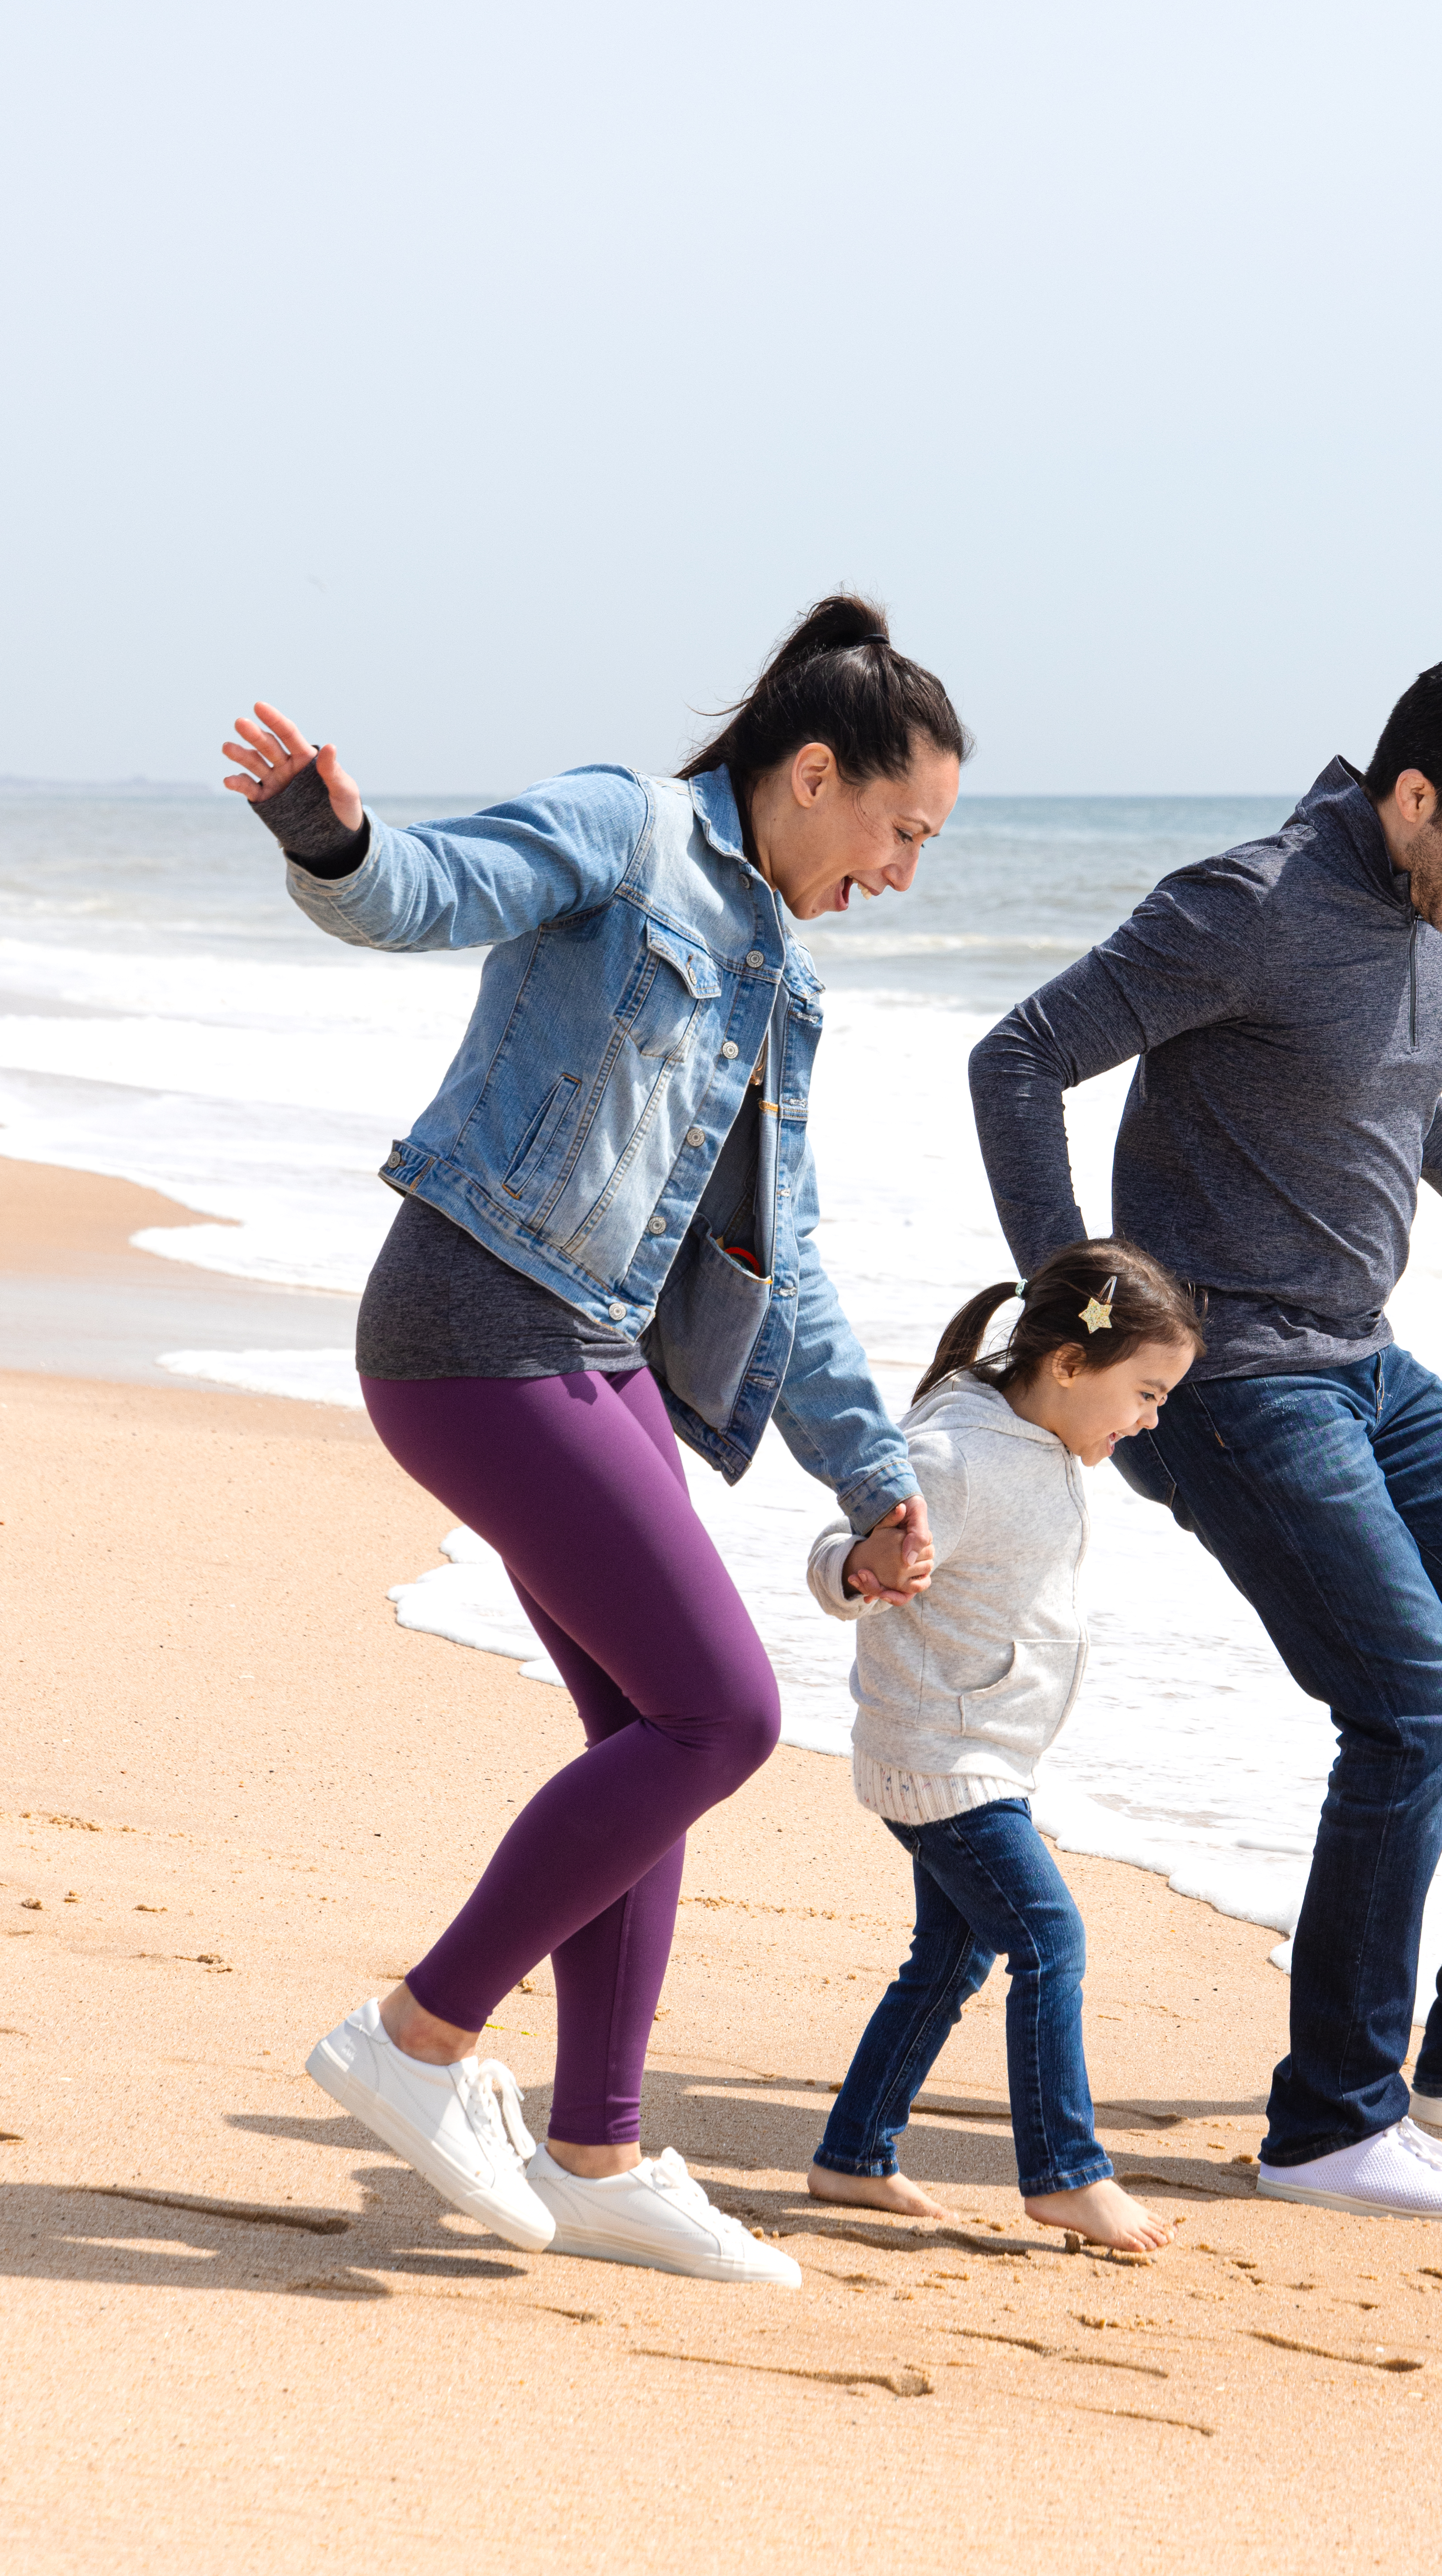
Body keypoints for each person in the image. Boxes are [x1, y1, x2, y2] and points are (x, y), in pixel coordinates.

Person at [222, 593, 968, 2285]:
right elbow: (433, 888)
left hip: (595, 1342)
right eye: (899, 828)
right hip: (475, 1317)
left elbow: (788, 1257)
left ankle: (601, 2146)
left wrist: (875, 1470)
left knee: (652, 1727)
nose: (905, 871)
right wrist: (331, 835)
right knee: (725, 1711)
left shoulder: (779, 971)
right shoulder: (628, 828)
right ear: (809, 771)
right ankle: (418, 2037)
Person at [969, 641, 1442, 2225]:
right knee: (1418, 1700)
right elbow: (1017, 1055)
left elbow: (1392, 1103)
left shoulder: (1420, 906)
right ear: (1413, 793)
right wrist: (1078, 1321)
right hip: (1229, 1379)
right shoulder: (1245, 901)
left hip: (1364, 1359)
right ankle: (1330, 2127)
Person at [802, 1244, 1200, 2256]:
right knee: (1048, 1940)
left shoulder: (1040, 1440)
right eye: (1144, 1392)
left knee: (950, 1953)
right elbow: (829, 1551)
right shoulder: (956, 1454)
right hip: (942, 1757)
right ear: (1069, 1365)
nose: (1151, 1417)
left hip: (977, 1752)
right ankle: (1064, 2173)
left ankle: (854, 2154)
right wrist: (861, 1561)